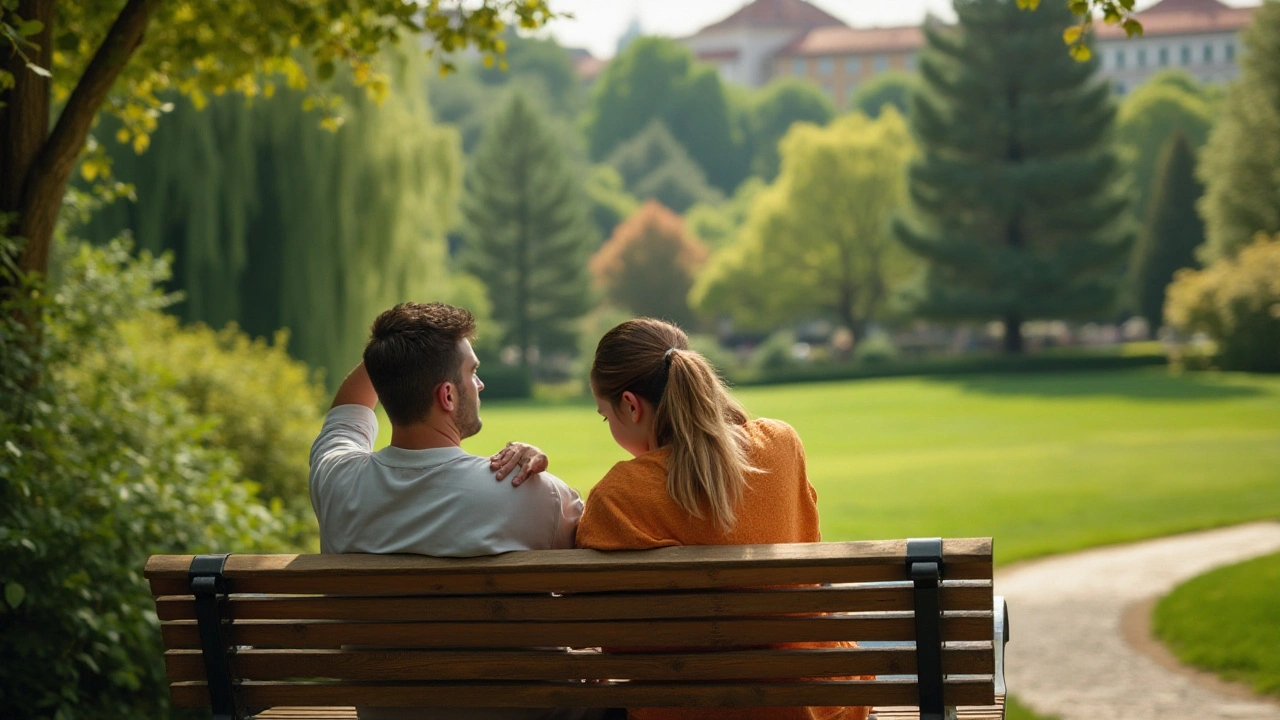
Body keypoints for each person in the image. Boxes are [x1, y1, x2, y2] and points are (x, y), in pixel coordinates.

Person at [309, 301, 598, 720]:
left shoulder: (334, 481)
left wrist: (397, 355)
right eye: (472, 373)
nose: (478, 385)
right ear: (446, 395)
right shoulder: (531, 490)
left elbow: (348, 412)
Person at [574, 317, 871, 720]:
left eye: (605, 416)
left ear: (630, 405)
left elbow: (612, 641)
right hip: (813, 704)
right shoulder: (781, 444)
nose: (609, 424)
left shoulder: (618, 495)